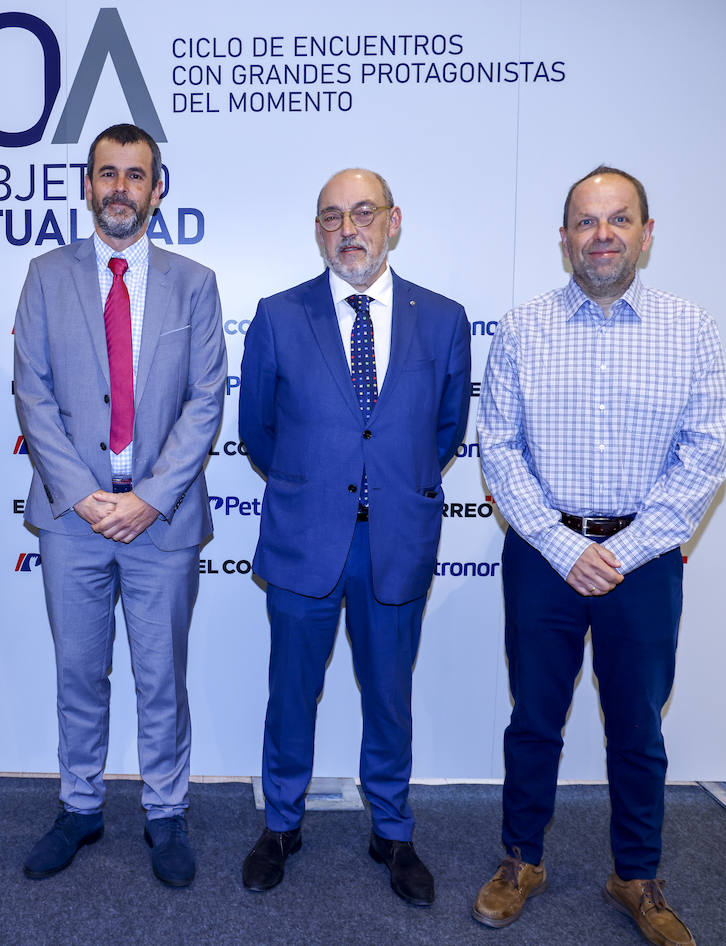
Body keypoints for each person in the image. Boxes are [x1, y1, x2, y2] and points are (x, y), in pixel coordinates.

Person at [474, 166, 726, 945]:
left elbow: (705, 455)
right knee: (535, 720)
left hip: (644, 562)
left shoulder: (692, 330)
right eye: (586, 223)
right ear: (564, 240)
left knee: (637, 727)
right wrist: (561, 544)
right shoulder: (522, 329)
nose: (603, 236)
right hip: (543, 556)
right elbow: (500, 450)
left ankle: (637, 876)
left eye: (619, 220)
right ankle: (522, 859)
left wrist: (621, 550)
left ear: (647, 234)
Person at [237, 169, 471, 905]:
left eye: (363, 212)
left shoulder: (444, 318)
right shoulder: (278, 316)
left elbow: (443, 430)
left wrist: (383, 486)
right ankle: (281, 823)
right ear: (317, 230)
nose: (349, 228)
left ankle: (393, 832)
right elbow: (258, 433)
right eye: (332, 216)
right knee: (290, 694)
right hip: (305, 539)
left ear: (392, 221)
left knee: (390, 697)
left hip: (395, 542)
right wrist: (319, 489)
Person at [12, 123, 226, 887]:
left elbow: (206, 402)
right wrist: (87, 497)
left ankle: (165, 813)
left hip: (160, 520)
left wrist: (151, 499)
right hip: (73, 519)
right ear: (86, 185)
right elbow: (32, 393)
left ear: (157, 190)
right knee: (78, 670)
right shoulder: (45, 275)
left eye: (136, 175)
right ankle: (80, 804)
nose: (120, 189)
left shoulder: (193, 283)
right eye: (108, 173)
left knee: (160, 674)